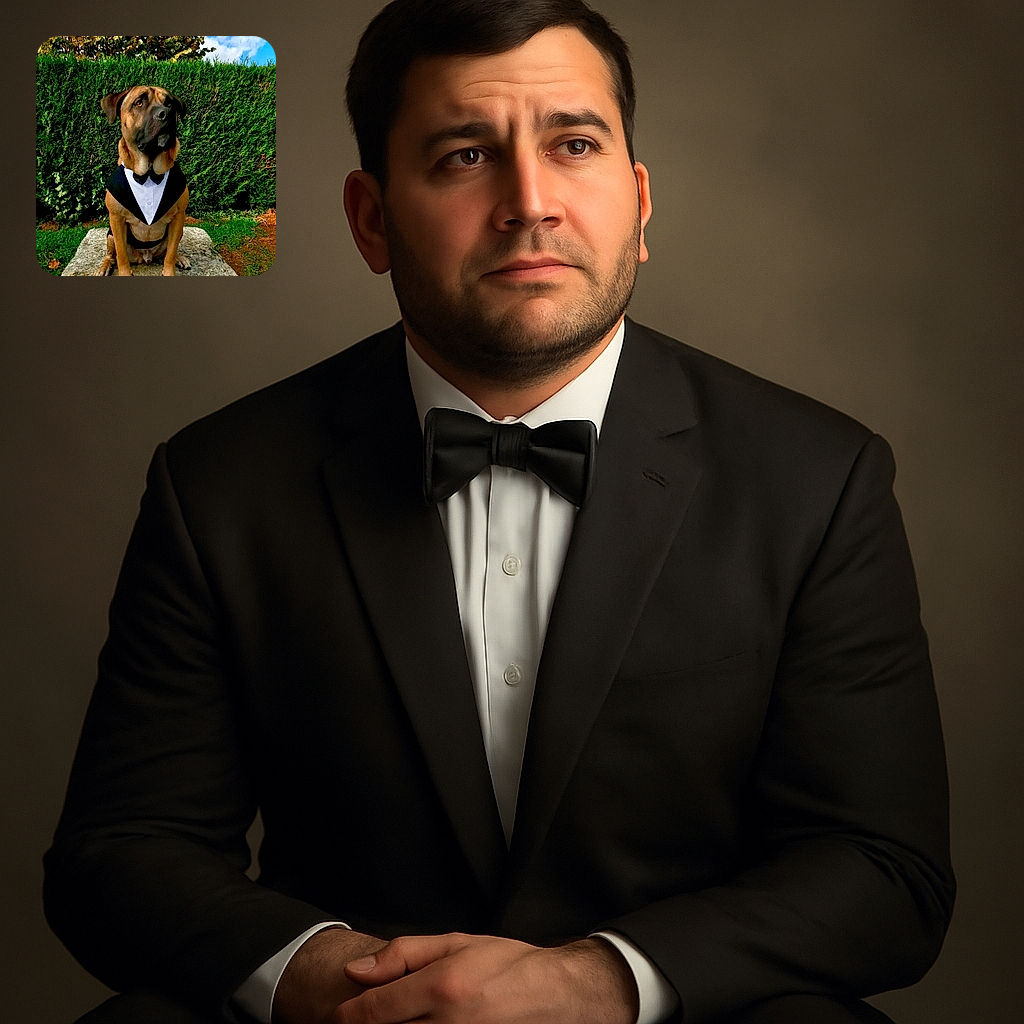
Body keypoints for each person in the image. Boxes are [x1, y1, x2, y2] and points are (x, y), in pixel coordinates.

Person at [44, 2, 954, 1022]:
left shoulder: (820, 476)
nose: (530, 202)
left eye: (574, 144)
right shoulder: (219, 480)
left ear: (639, 201)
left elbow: (882, 872)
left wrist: (597, 982)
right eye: (464, 155)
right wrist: (348, 985)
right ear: (370, 219)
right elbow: (123, 851)